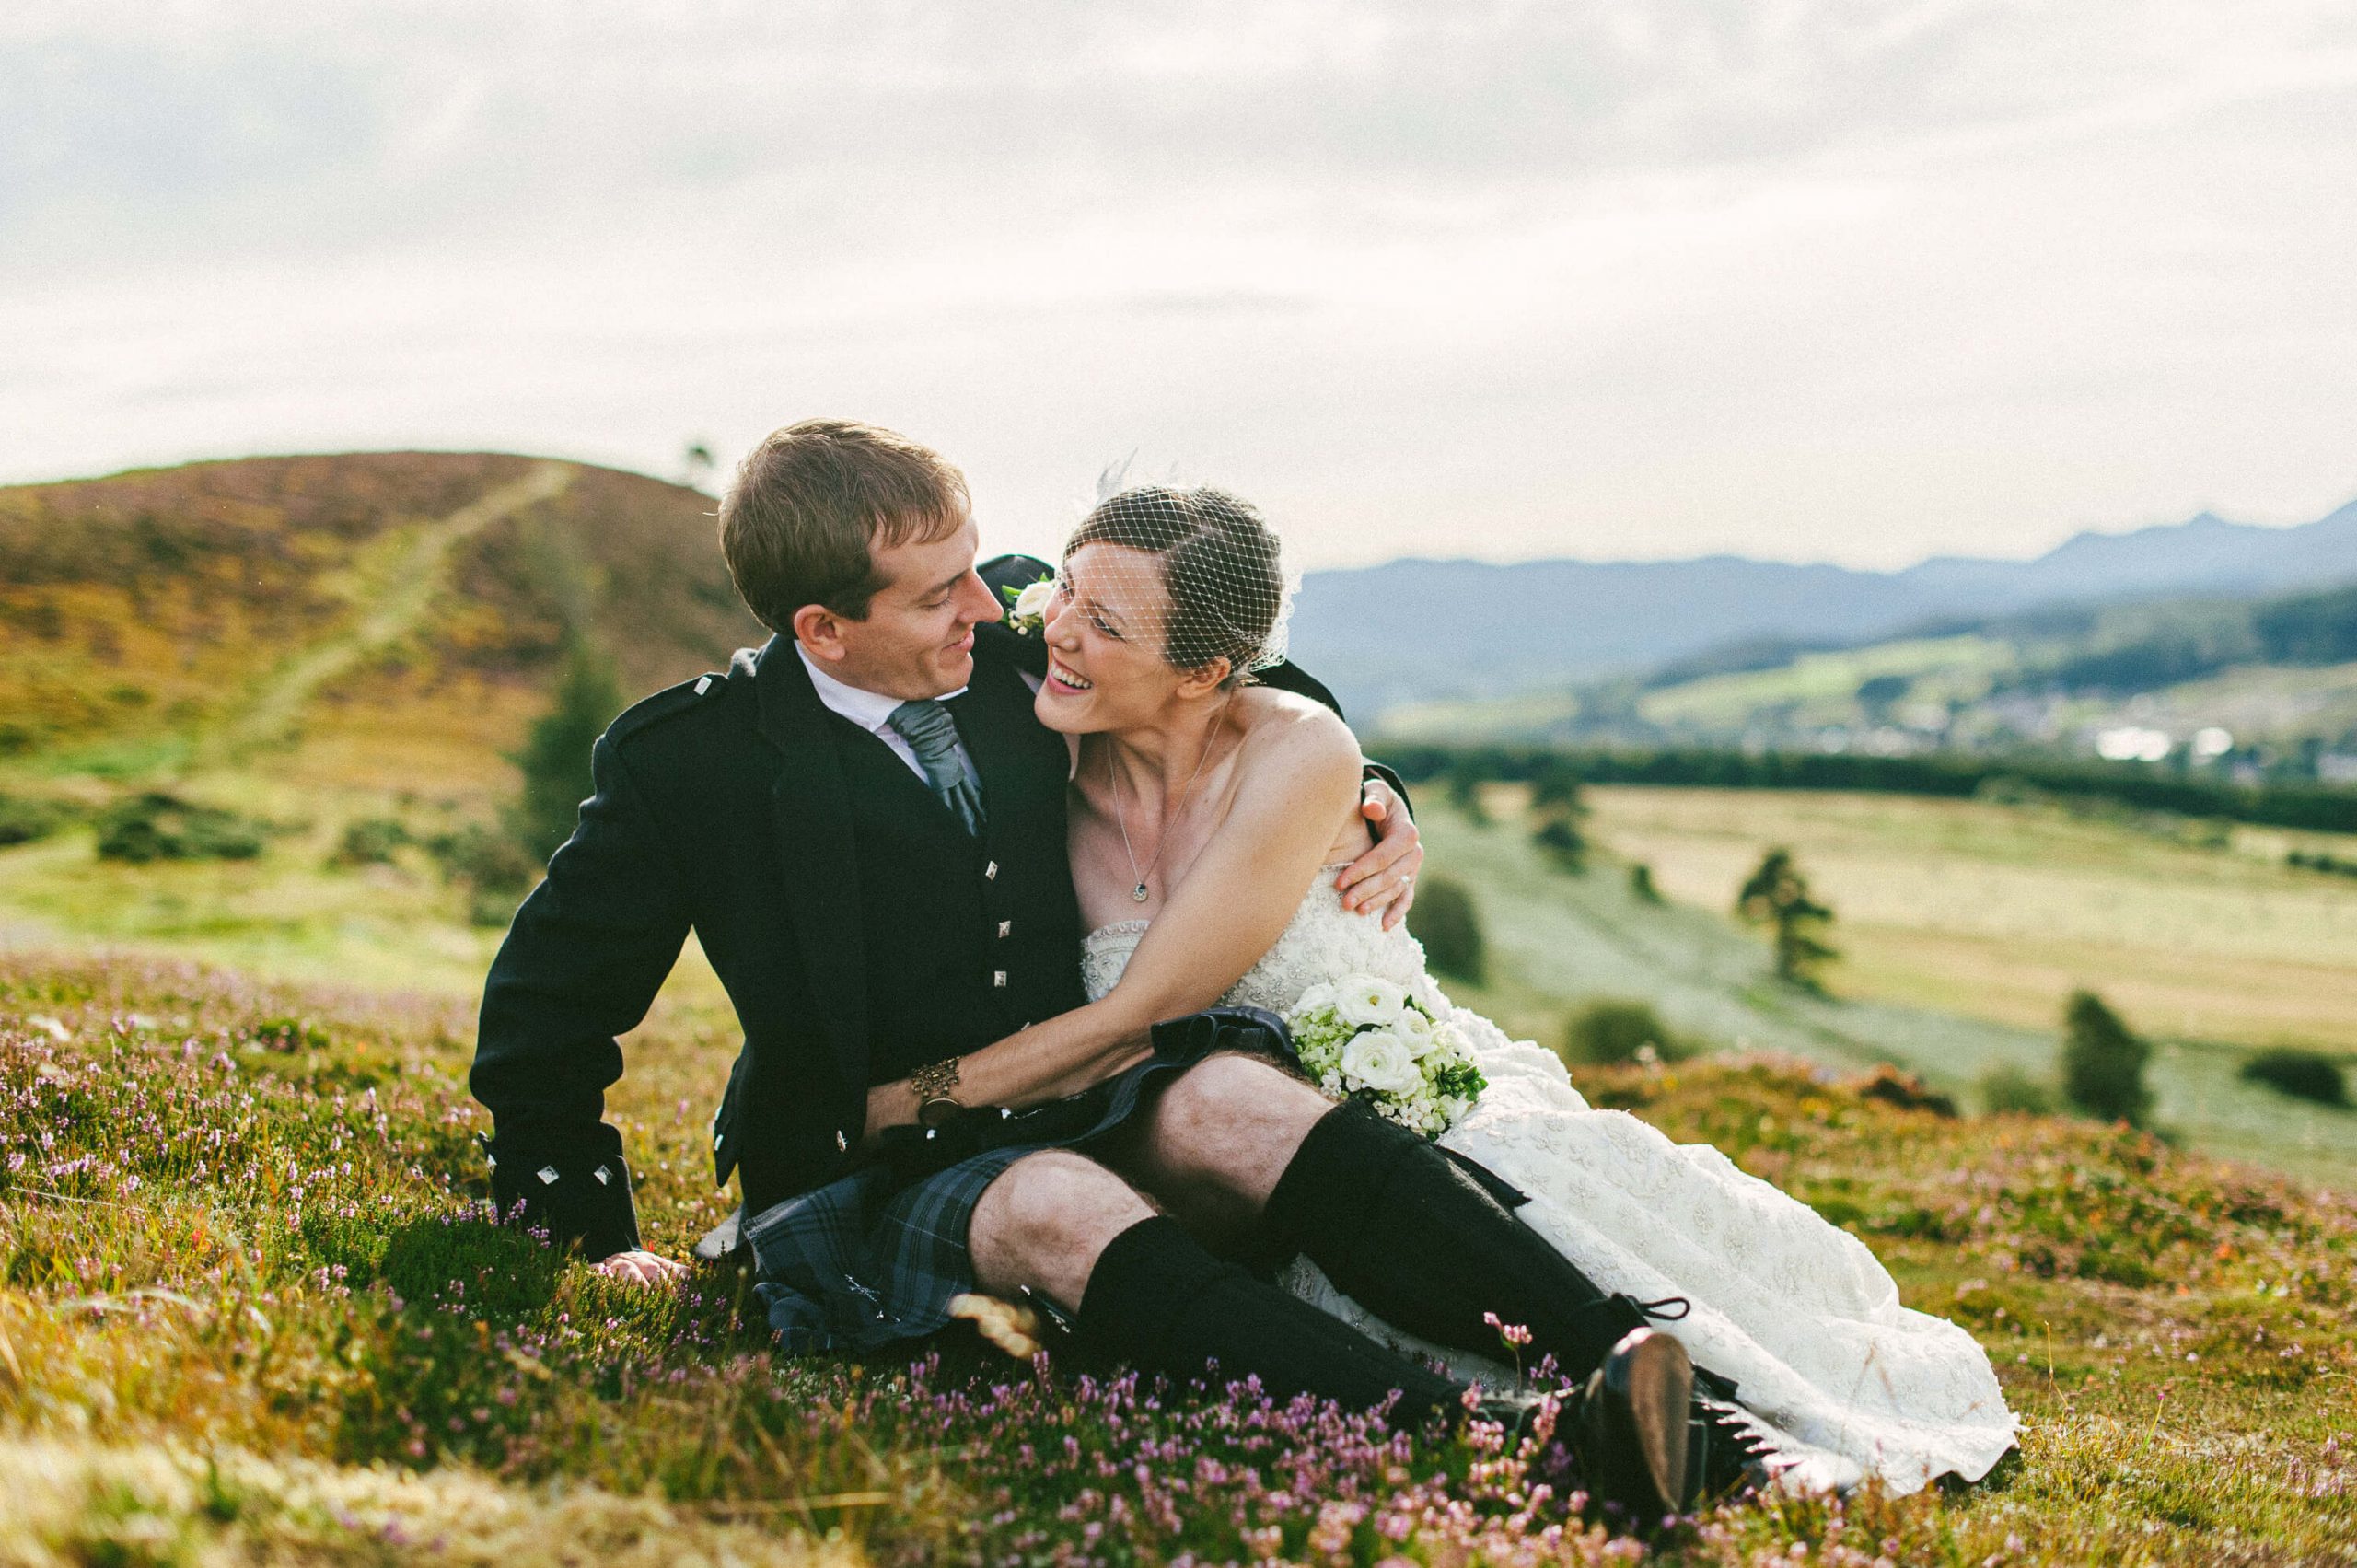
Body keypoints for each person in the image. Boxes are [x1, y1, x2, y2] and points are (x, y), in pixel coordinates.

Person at [468, 421, 1701, 1527]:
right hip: (878, 1150)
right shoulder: (691, 764)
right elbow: (548, 1001)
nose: (992, 605)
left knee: (1240, 1096)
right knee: (1058, 1199)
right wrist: (585, 1228)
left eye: (977, 567)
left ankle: (1652, 1384)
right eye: (939, 593)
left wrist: (1369, 791)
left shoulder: (1010, 641)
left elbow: (1215, 666)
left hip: (1086, 1082)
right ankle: (1522, 1441)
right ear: (823, 629)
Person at [974, 482, 2020, 1497]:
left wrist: (1357, 786)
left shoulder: (1284, 740)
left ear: (1205, 669)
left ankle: (1699, 1413)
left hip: (1388, 1116)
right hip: (1193, 1147)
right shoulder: (1020, 659)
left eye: (1102, 620)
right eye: (1065, 589)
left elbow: (1268, 754)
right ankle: (1582, 1429)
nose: (1056, 624)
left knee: (1529, 1215)